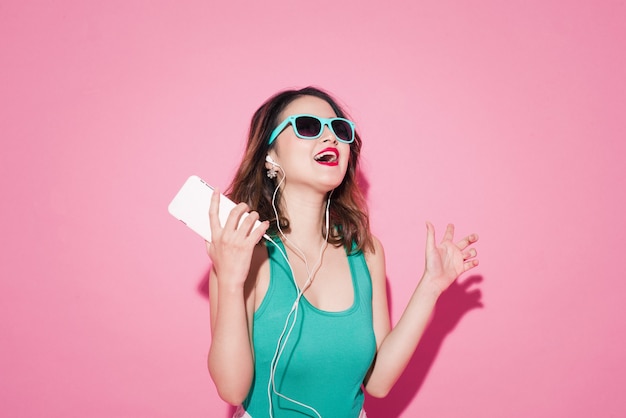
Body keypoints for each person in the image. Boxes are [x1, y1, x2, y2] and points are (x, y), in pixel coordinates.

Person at [205, 86, 479, 418]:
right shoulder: (243, 250)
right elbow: (231, 389)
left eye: (339, 129)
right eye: (307, 126)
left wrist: (431, 287)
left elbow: (377, 383)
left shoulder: (366, 251)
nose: (331, 138)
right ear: (270, 154)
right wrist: (232, 280)